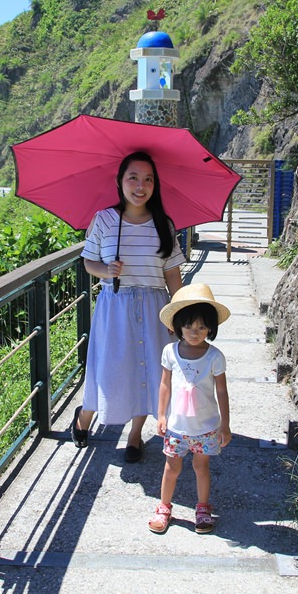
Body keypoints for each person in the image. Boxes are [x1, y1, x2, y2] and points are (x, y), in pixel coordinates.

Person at [72, 151, 185, 463]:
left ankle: (135, 435)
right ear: (120, 182)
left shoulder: (165, 224)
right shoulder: (104, 220)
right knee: (109, 371)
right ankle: (85, 416)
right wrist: (106, 270)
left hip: (154, 306)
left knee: (148, 371)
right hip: (115, 307)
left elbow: (172, 274)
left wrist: (181, 314)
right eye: (133, 177)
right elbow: (88, 262)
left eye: (148, 179)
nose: (141, 185)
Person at [148, 284, 230, 534]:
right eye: (189, 327)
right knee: (171, 467)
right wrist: (161, 414)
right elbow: (165, 384)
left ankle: (203, 508)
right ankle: (164, 507)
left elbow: (222, 392)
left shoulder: (214, 356)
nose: (195, 333)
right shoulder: (170, 352)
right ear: (177, 326)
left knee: (201, 467)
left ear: (211, 329)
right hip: (176, 426)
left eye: (202, 327)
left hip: (205, 427)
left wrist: (225, 425)